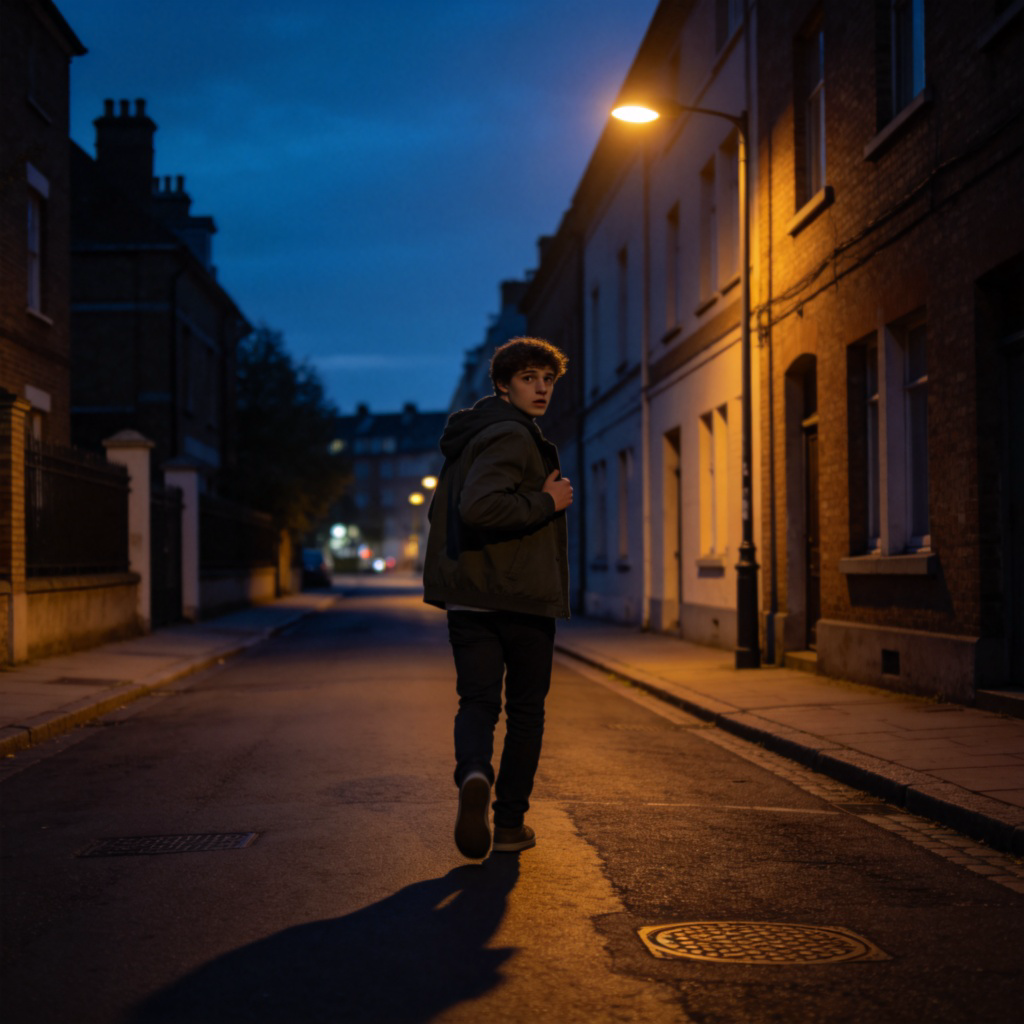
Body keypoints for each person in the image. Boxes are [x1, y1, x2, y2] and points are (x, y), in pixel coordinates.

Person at [423, 337, 572, 858]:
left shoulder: (470, 437)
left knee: (478, 702)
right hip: (519, 598)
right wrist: (546, 501)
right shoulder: (511, 435)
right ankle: (508, 825)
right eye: (529, 378)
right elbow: (480, 507)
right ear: (504, 384)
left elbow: (441, 512)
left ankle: (474, 774)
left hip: (469, 598)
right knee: (526, 712)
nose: (542, 388)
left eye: (548, 379)